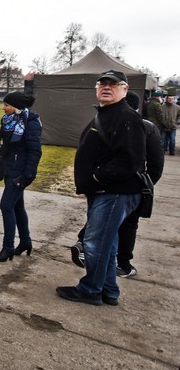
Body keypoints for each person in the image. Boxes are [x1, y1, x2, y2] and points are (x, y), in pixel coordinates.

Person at [57, 70, 146, 306]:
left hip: (114, 192)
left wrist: (96, 177)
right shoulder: (108, 114)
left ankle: (90, 290)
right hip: (103, 192)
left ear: (125, 89)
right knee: (107, 243)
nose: (107, 87)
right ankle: (108, 290)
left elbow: (130, 160)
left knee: (95, 243)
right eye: (102, 83)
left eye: (113, 84)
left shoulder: (126, 117)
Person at [70, 91, 164, 277]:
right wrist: (144, 184)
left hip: (111, 186)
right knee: (122, 225)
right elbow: (156, 164)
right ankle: (120, 266)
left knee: (105, 226)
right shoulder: (144, 126)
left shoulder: (111, 122)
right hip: (119, 187)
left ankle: (103, 274)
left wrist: (96, 179)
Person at [0, 91, 42, 262]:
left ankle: (8, 248)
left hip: (20, 173)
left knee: (6, 206)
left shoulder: (31, 123)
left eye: (7, 105)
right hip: (9, 169)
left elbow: (35, 151)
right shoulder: (8, 121)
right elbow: (8, 145)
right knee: (17, 207)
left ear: (17, 107)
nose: (3, 108)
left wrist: (27, 175)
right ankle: (26, 242)